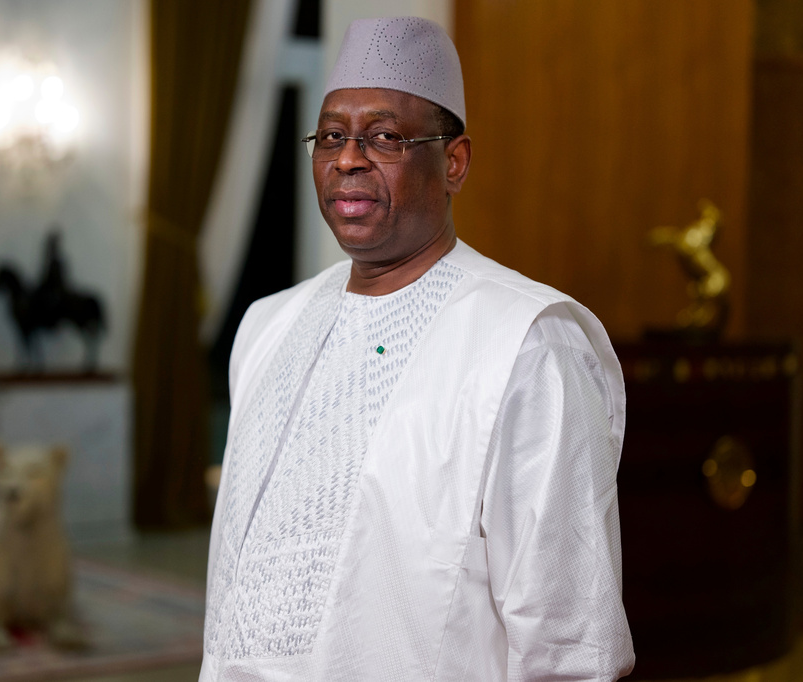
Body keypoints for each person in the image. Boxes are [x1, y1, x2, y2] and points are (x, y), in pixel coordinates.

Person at [201, 16, 634, 681]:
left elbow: (567, 638)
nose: (348, 159)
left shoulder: (526, 345)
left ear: (453, 162)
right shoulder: (268, 326)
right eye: (333, 136)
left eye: (384, 137)